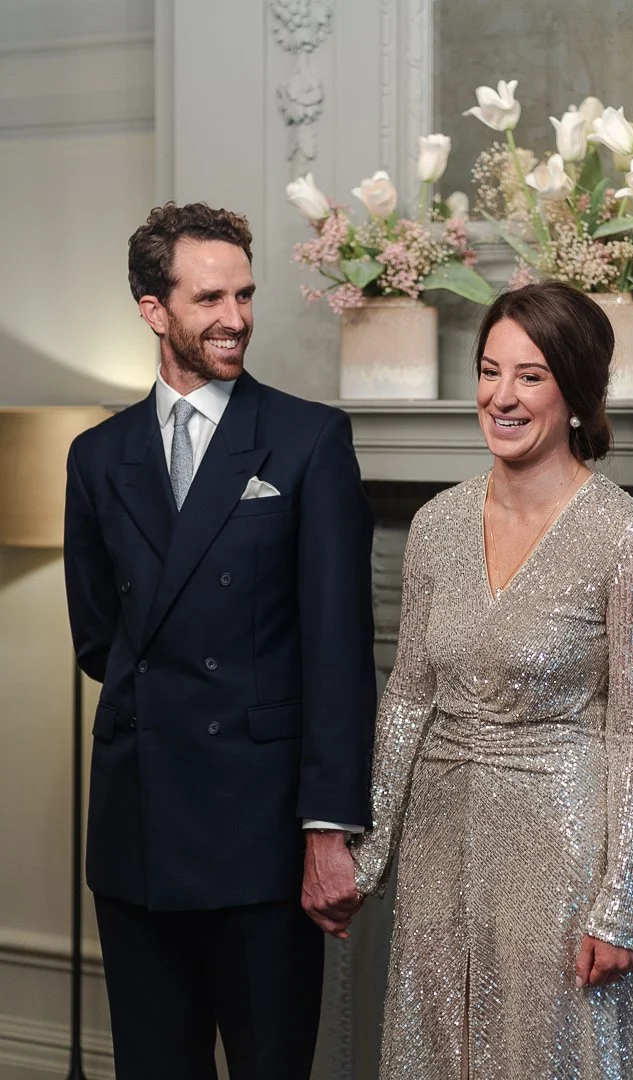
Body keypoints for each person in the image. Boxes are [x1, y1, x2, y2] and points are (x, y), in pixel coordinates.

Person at [63, 201, 373, 1080]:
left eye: (243, 294)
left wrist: (328, 829)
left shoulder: (309, 439)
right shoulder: (96, 456)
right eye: (208, 299)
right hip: (139, 830)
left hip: (262, 835)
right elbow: (101, 640)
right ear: (153, 309)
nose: (233, 318)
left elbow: (340, 653)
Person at [351, 280, 633, 1080]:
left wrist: (620, 901)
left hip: (559, 849)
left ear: (575, 391)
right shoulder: (436, 524)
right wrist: (366, 855)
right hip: (437, 840)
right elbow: (408, 696)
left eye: (530, 376)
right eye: (489, 370)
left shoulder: (627, 539)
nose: (501, 397)